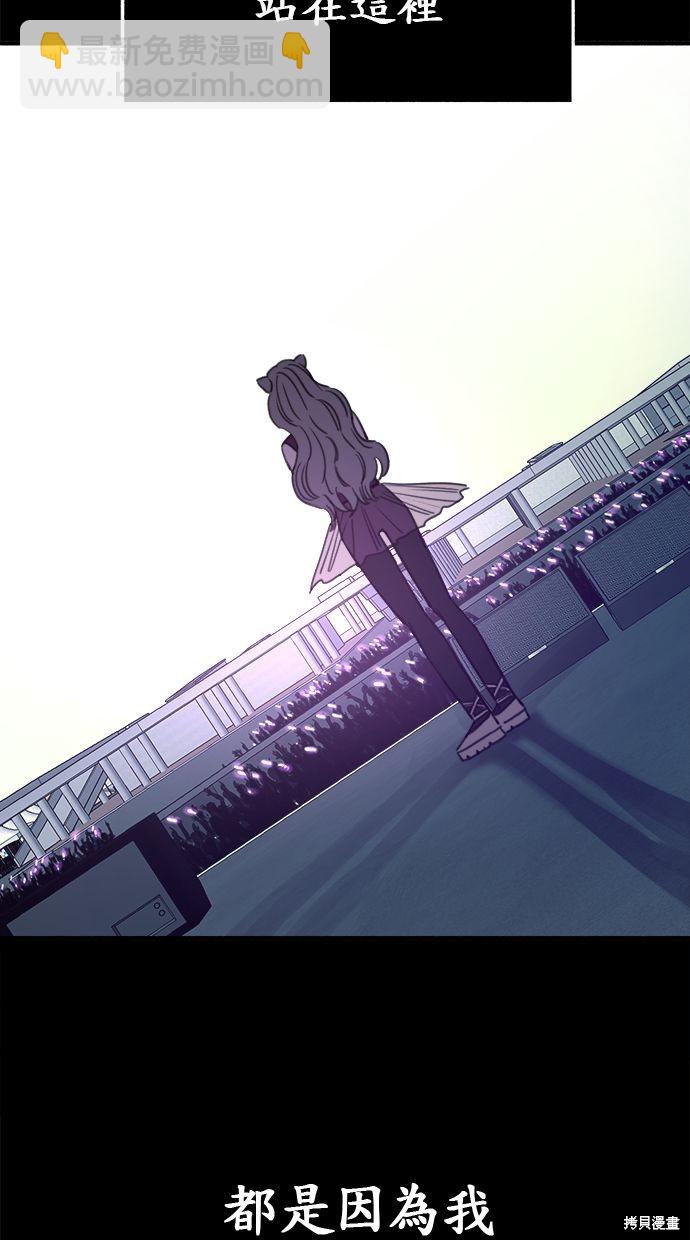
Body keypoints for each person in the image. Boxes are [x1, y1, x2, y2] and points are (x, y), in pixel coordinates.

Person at [257, 354, 528, 759]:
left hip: (353, 524)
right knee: (444, 604)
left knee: (418, 622)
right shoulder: (337, 407)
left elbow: (314, 496)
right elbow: (365, 453)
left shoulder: (291, 447)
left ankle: (479, 714)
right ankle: (506, 699)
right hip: (385, 504)